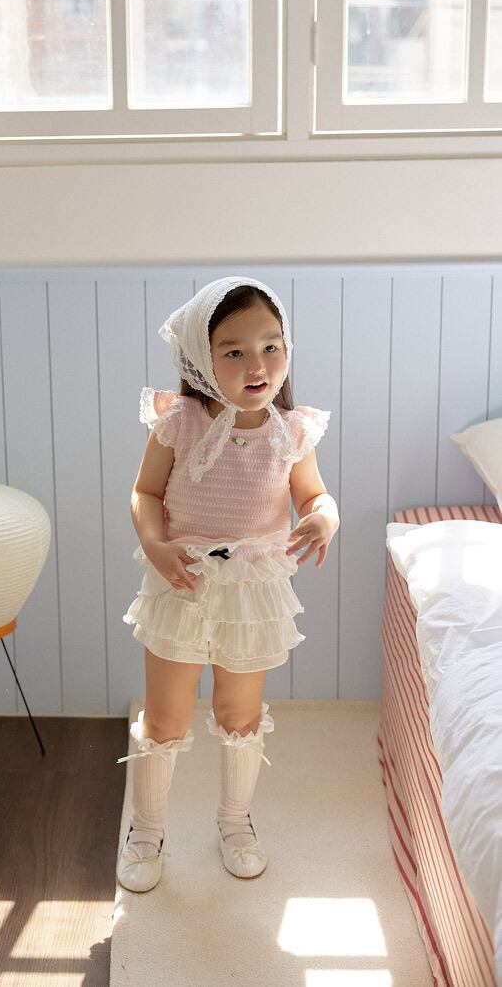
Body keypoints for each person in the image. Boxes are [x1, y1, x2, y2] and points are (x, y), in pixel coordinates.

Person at [115, 275, 340, 894]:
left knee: (239, 713)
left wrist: (325, 515)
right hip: (182, 580)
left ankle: (235, 822)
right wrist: (154, 544)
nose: (257, 364)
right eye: (234, 351)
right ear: (201, 357)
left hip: (251, 590)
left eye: (271, 346)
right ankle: (146, 830)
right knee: (166, 716)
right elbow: (146, 492)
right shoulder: (180, 421)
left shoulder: (291, 430)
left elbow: (313, 494)